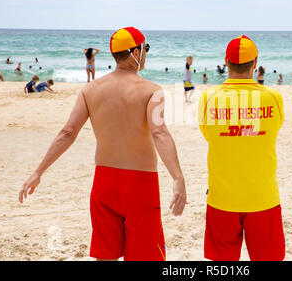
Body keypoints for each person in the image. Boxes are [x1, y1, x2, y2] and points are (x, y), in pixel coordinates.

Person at [19, 27, 187, 261]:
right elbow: (159, 133)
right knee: (146, 256)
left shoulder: (90, 90)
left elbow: (67, 132)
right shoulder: (152, 91)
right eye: (145, 48)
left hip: (104, 183)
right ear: (135, 53)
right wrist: (178, 178)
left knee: (105, 256)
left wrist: (38, 172)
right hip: (141, 184)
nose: (146, 53)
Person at [198, 35, 286, 261]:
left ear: (226, 63)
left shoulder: (209, 98)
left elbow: (210, 136)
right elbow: (274, 130)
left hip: (222, 197)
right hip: (263, 197)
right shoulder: (273, 98)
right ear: (255, 63)